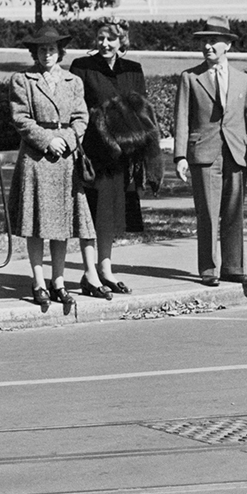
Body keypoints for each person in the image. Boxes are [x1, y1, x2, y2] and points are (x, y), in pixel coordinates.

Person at [69, 19, 160, 299]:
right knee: (90, 214)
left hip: (122, 155)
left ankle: (106, 270)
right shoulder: (82, 67)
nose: (105, 44)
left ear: (122, 42)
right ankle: (89, 273)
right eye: (100, 38)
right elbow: (76, 107)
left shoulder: (133, 70)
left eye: (111, 39)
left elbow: (142, 111)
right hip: (93, 153)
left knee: (110, 215)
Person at [173, 17, 247, 291]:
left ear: (228, 45)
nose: (207, 46)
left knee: (234, 211)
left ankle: (233, 267)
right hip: (204, 153)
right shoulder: (190, 78)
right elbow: (182, 118)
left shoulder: (243, 80)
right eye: (204, 41)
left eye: (213, 41)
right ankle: (209, 269)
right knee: (208, 213)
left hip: (236, 153)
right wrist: (180, 156)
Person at [4, 25, 91, 310]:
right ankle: (38, 281)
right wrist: (47, 140)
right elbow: (21, 118)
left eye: (52, 49)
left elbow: (81, 118)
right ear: (35, 53)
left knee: (62, 226)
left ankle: (59, 282)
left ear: (60, 52)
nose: (47, 54)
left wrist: (65, 139)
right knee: (37, 225)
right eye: (42, 50)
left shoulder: (73, 81)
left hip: (65, 158)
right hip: (37, 159)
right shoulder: (23, 80)